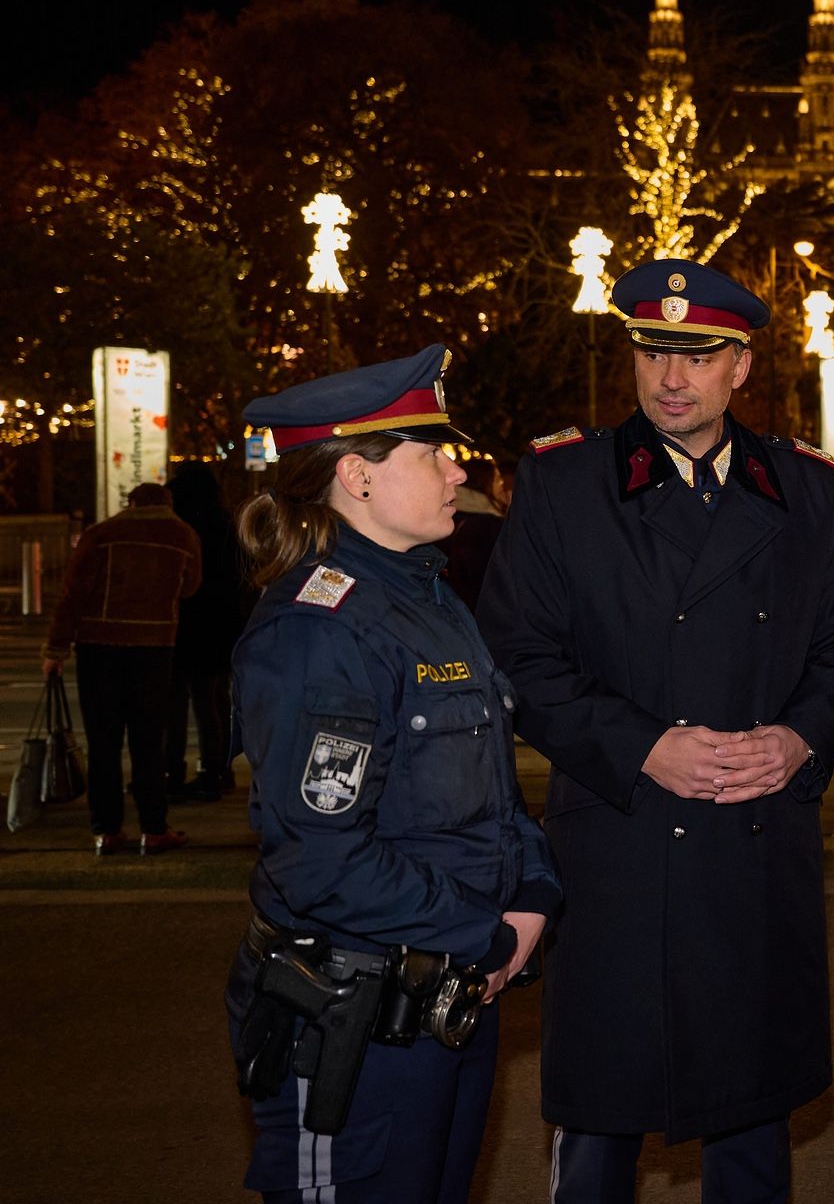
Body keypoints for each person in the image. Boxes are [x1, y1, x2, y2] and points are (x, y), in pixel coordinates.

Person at [478, 259, 834, 1203]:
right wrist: (642, 746)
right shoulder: (564, 483)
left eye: (698, 357)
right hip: (617, 843)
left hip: (753, 842)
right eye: (653, 352)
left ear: (740, 367)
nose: (671, 378)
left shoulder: (803, 488)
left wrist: (798, 741)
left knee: (750, 1118)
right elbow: (520, 658)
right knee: (600, 1118)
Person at [222, 344, 558, 1202]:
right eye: (431, 453)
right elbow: (322, 859)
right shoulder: (319, 628)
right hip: (353, 1019)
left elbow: (492, 789)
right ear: (357, 477)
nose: (457, 471)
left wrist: (534, 892)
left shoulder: (428, 600)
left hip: (448, 994)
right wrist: (485, 933)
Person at [42, 481, 201, 856]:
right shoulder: (183, 535)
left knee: (103, 742)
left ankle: (107, 830)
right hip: (155, 647)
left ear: (131, 503)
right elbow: (190, 587)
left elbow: (73, 593)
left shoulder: (101, 534)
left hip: (98, 646)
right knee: (149, 743)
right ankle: (154, 829)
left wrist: (56, 647)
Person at [163, 463, 253, 804]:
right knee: (213, 699)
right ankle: (217, 771)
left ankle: (173, 771)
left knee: (176, 701)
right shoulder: (226, 526)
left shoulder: (178, 528)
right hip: (220, 622)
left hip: (183, 620)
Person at [440, 455, 506, 610]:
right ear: (484, 483)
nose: (501, 485)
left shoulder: (445, 515)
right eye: (497, 480)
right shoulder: (489, 526)